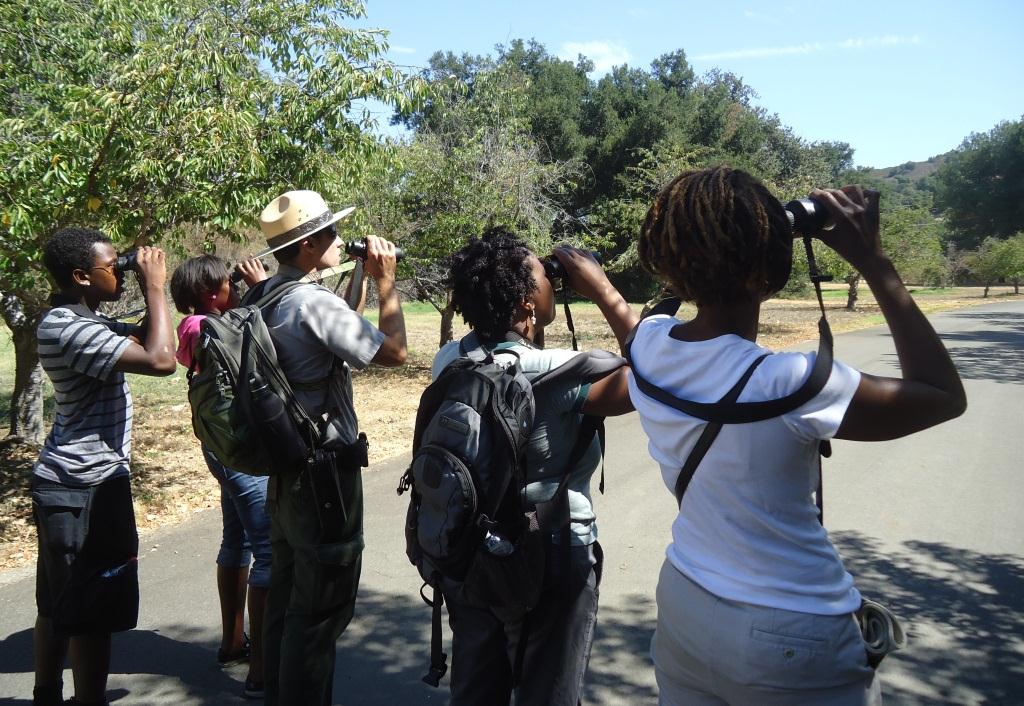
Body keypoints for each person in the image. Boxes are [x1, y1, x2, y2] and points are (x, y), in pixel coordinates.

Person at [628, 166, 967, 705]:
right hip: (793, 633)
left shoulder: (647, 346)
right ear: (771, 265)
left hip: (686, 600)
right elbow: (942, 395)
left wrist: (699, 247)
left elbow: (661, 308)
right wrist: (873, 261)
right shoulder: (791, 381)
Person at [433, 227, 639, 706]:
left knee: (476, 689)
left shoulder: (448, 361)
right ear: (528, 303)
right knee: (549, 692)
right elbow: (652, 375)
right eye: (546, 277)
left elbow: (509, 356)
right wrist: (603, 289)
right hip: (551, 553)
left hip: (468, 550)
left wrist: (525, 317)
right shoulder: (566, 372)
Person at [245, 190, 407, 706]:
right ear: (311, 245)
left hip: (286, 470)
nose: (342, 241)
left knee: (288, 601)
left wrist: (359, 274)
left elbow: (340, 323)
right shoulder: (309, 302)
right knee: (319, 615)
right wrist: (387, 283)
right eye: (333, 234)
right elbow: (393, 354)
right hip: (324, 476)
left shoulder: (265, 295)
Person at [31, 228, 176, 706]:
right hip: (85, 487)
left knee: (59, 603)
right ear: (80, 276)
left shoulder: (81, 318)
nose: (123, 270)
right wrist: (155, 285)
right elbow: (160, 359)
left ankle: (47, 695)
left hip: (72, 485)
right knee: (88, 611)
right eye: (112, 266)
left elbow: (141, 335)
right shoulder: (67, 327)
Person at [169, 254, 270, 699]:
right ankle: (262, 671)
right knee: (268, 550)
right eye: (227, 283)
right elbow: (261, 336)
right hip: (240, 449)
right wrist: (259, 288)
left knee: (237, 541)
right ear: (212, 294)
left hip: (219, 446)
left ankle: (233, 642)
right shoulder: (208, 328)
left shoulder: (192, 329)